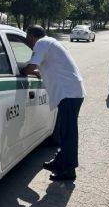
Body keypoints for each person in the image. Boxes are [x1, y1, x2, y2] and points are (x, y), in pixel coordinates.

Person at [21, 25, 86, 181]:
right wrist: (36, 72)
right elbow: (48, 67)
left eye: (27, 39)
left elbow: (31, 67)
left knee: (68, 133)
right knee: (65, 131)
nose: (28, 43)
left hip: (69, 93)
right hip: (71, 92)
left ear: (31, 36)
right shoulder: (51, 42)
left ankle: (69, 170)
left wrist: (20, 71)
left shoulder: (41, 43)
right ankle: (60, 161)